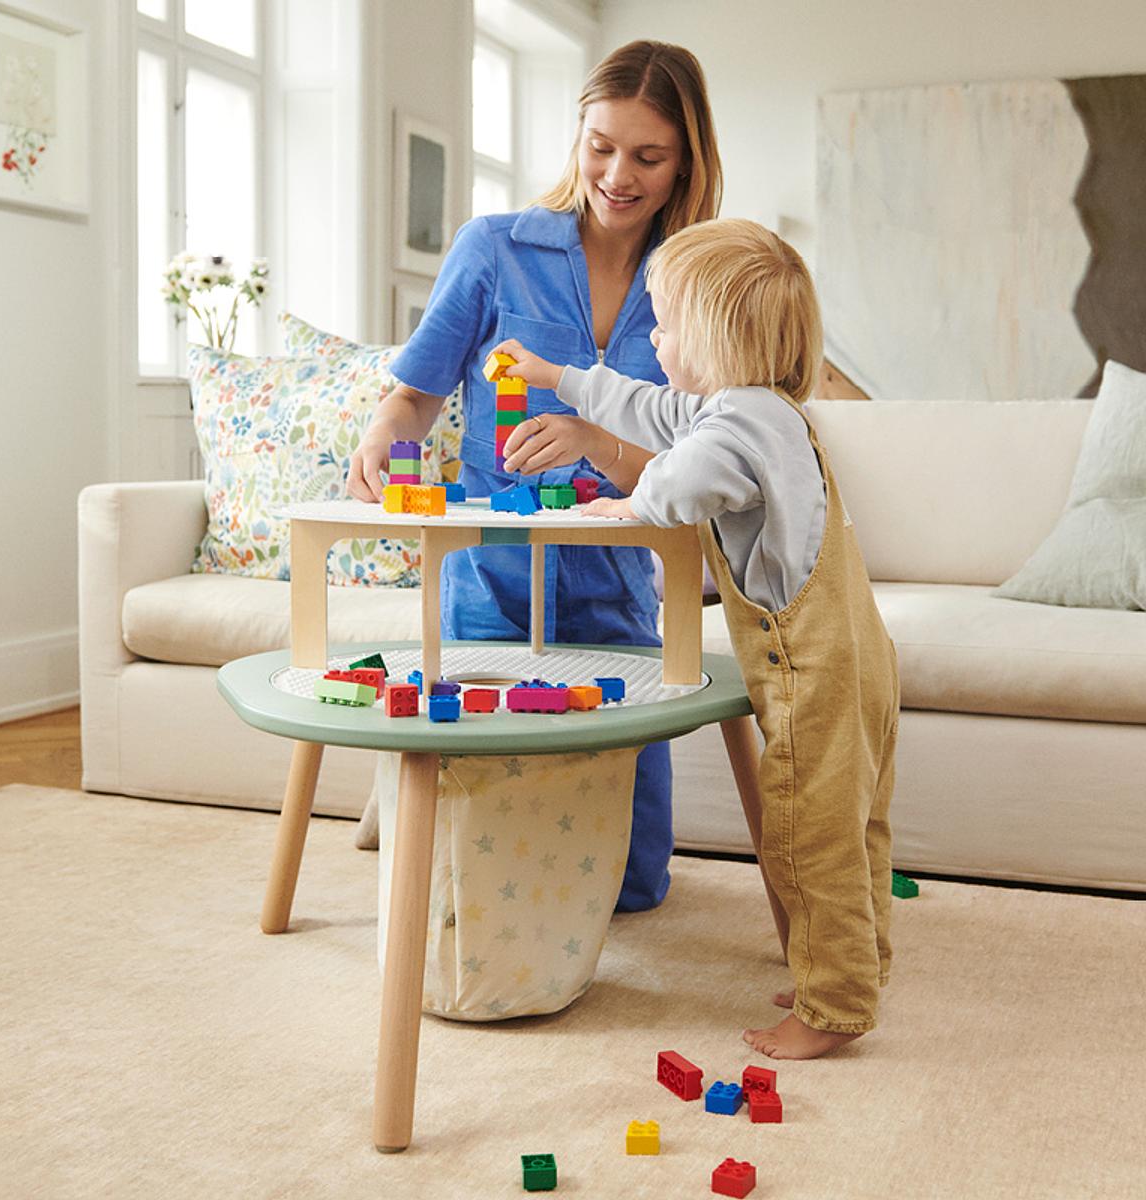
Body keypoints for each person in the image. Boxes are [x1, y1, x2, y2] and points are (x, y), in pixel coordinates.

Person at [486, 218, 901, 1058]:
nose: (653, 335)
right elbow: (652, 409)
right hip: (863, 657)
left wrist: (630, 505)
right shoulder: (761, 409)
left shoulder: (734, 432)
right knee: (856, 827)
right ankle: (858, 961)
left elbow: (682, 478)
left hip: (811, 671)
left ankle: (832, 1007)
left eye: (666, 322)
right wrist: (559, 376)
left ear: (712, 338)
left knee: (806, 833)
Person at [347, 41, 723, 912]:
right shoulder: (494, 250)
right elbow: (413, 396)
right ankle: (405, 803)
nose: (617, 174)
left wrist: (594, 437)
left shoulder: (696, 281)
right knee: (480, 874)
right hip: (489, 584)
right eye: (600, 145)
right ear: (578, 137)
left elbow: (695, 454)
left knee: (632, 891)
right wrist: (381, 434)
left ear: (687, 161)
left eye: (648, 155)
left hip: (618, 600)